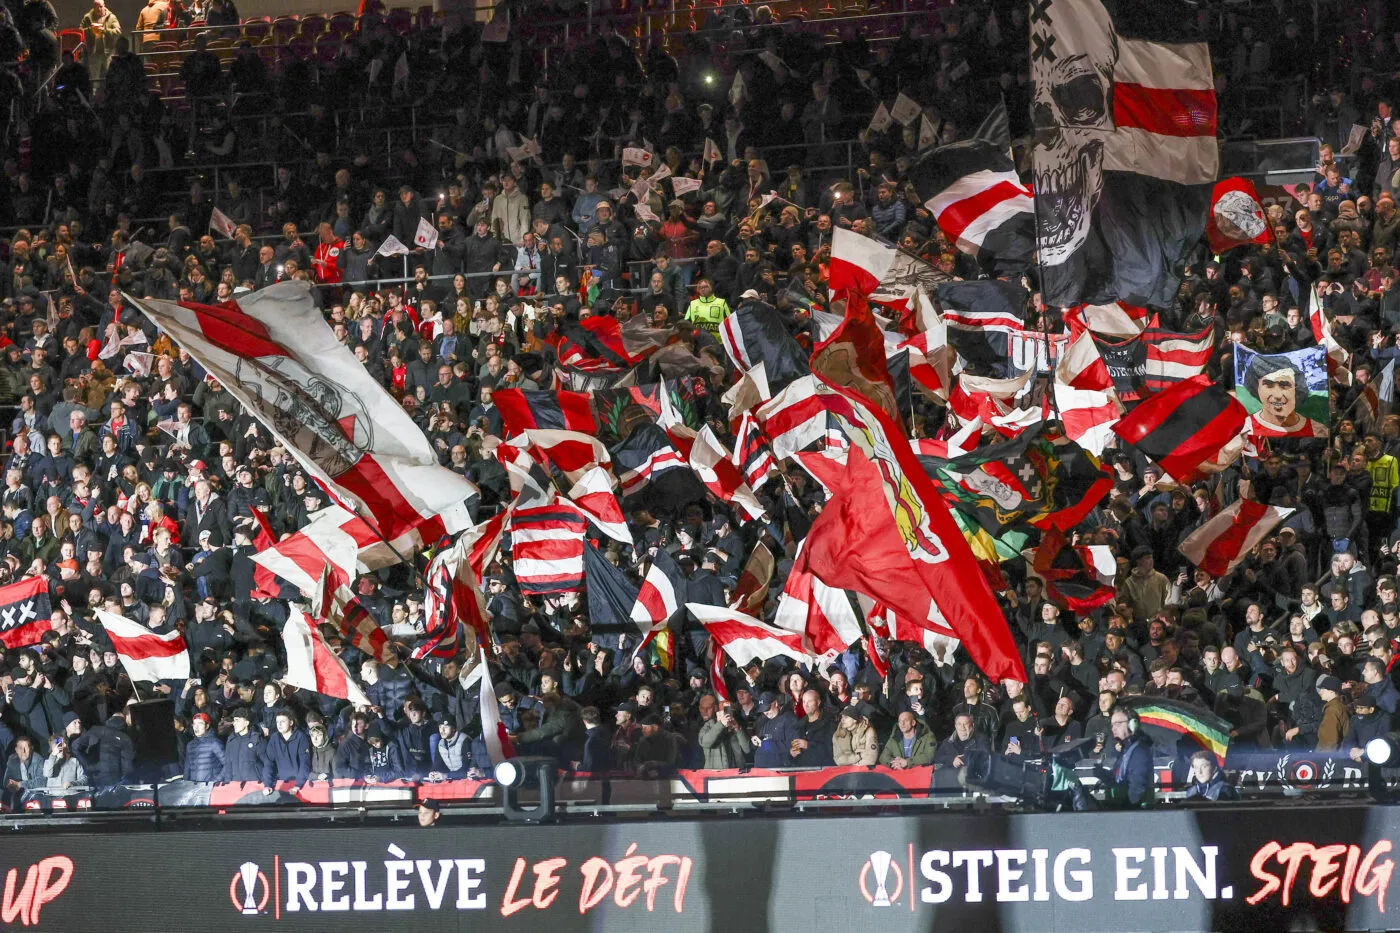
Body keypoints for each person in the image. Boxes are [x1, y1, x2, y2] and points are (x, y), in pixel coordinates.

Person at [1100, 707, 1154, 809]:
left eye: (1118, 724)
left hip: (1134, 814)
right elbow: (1118, 779)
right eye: (1112, 725)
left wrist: (1122, 811)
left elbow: (1137, 789)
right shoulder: (1126, 750)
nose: (1113, 728)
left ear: (1132, 725)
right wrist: (1102, 774)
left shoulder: (1139, 751)